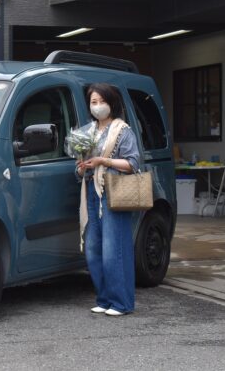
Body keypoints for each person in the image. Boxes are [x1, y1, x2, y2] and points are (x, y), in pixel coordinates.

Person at [76, 83, 141, 316]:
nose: (98, 106)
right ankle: (104, 299)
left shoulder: (123, 130)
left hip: (113, 191)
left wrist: (104, 162)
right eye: (93, 102)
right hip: (91, 192)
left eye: (102, 101)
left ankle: (121, 302)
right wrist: (82, 167)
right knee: (93, 248)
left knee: (114, 248)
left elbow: (132, 163)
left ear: (112, 103)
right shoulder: (87, 132)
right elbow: (79, 169)